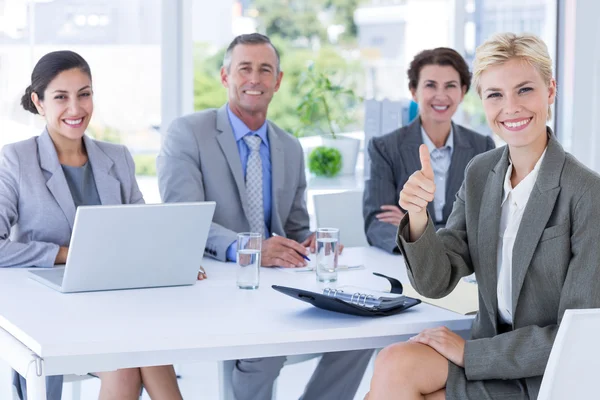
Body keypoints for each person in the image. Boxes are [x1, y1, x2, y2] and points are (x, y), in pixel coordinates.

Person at [366, 32, 600, 400]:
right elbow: (436, 282)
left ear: (550, 91)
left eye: (524, 90)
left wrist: (470, 353)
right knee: (393, 363)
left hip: (548, 373)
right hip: (490, 353)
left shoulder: (587, 192)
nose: (511, 107)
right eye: (495, 95)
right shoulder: (481, 172)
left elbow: (575, 336)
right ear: (482, 102)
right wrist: (417, 217)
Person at [157, 33, 372, 400]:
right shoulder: (188, 133)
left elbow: (295, 228)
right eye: (245, 69)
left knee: (361, 332)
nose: (254, 79)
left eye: (265, 70)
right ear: (226, 77)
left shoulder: (289, 146)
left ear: (278, 80)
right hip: (221, 286)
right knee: (266, 355)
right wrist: (252, 247)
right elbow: (185, 222)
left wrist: (310, 240)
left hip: (278, 286)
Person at [0, 50, 183, 400]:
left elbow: (144, 230)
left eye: (84, 94)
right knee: (132, 360)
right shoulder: (17, 159)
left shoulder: (117, 158)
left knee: (147, 351)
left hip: (117, 305)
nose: (76, 108)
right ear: (38, 103)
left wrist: (173, 256)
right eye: (61, 97)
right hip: (51, 311)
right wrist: (67, 254)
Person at [363, 47, 495, 254]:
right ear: (414, 91)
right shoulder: (385, 148)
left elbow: (485, 222)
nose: (440, 95)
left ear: (462, 92)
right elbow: (377, 225)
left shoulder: (482, 147)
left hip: (464, 266)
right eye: (430, 85)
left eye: (450, 86)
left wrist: (417, 228)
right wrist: (430, 245)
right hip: (408, 266)